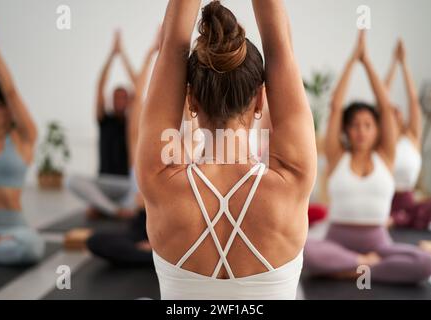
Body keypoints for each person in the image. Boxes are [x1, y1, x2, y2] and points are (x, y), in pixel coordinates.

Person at [137, 0, 317, 300]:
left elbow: (170, 46)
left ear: (190, 101)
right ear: (261, 100)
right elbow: (280, 46)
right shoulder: (292, 179)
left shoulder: (158, 179)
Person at [304, 31, 431, 284]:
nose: (361, 131)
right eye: (354, 125)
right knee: (306, 252)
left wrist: (368, 64)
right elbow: (335, 106)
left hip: (379, 242)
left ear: (377, 130)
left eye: (368, 124)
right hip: (337, 240)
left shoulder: (386, 156)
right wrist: (354, 59)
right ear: (345, 130)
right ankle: (365, 267)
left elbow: (386, 108)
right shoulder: (337, 156)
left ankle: (348, 270)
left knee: (428, 262)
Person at [86, 33, 161, 266]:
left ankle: (156, 253)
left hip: (165, 228)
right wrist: (151, 53)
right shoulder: (136, 147)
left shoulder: (178, 147)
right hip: (140, 224)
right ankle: (154, 256)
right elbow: (138, 97)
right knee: (95, 241)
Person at [67, 31, 138, 219]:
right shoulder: (104, 120)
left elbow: (139, 85)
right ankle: (114, 210)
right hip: (104, 182)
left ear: (130, 101)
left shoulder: (133, 123)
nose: (120, 101)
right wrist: (111, 55)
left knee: (137, 193)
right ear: (111, 100)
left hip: (125, 185)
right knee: (72, 181)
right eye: (116, 97)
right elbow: (100, 85)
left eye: (124, 97)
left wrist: (123, 56)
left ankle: (105, 208)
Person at [0, 21, 44, 265]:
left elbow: (10, 91)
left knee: (31, 248)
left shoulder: (23, 137)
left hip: (13, 226)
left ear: (9, 110)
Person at [385, 40, 431, 230]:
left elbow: (413, 100)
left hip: (408, 202)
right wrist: (393, 64)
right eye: (391, 111)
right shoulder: (383, 141)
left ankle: (401, 220)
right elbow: (382, 96)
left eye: (398, 110)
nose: (397, 111)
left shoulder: (412, 137)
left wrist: (404, 64)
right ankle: (396, 220)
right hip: (385, 201)